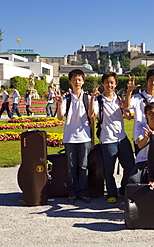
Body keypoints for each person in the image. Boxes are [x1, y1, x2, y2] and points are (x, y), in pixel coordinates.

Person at [89, 72, 135, 203]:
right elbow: (92, 113)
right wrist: (92, 98)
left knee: (130, 166)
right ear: (103, 84)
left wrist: (125, 105)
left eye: (112, 82)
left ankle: (123, 188)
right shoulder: (99, 100)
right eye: (107, 82)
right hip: (108, 139)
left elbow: (128, 116)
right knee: (109, 170)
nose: (109, 85)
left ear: (115, 84)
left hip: (122, 137)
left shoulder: (119, 98)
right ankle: (111, 192)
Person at [54, 69, 92, 203]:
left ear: (83, 81)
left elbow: (93, 115)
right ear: (70, 82)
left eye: (79, 79)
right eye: (74, 79)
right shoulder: (66, 99)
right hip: (70, 137)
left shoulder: (87, 98)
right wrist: (59, 104)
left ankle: (84, 192)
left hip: (85, 136)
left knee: (83, 166)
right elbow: (59, 117)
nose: (77, 82)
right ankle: (73, 192)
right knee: (71, 167)